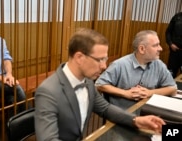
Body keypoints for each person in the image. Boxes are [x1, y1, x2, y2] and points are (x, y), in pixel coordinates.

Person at [34, 28, 165, 141]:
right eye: (99, 59)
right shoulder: (48, 91)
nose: (104, 66)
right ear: (79, 57)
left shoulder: (88, 81)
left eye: (105, 59)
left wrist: (136, 120)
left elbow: (105, 109)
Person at [95, 30, 177, 112]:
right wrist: (125, 93)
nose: (161, 48)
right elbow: (99, 84)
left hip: (149, 114)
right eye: (156, 45)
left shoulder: (159, 65)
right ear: (142, 49)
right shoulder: (119, 64)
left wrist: (149, 93)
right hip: (122, 115)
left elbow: (173, 89)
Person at [166, 12, 182, 78]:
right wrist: (170, 44)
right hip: (175, 51)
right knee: (170, 74)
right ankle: (168, 88)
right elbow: (168, 32)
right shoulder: (177, 16)